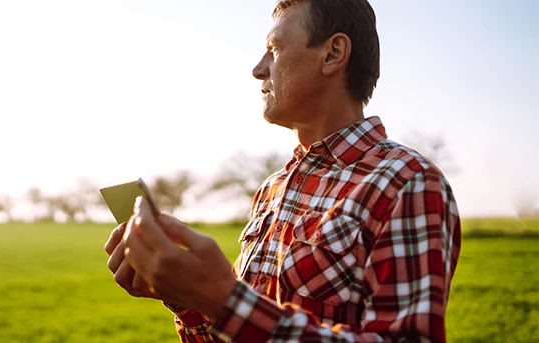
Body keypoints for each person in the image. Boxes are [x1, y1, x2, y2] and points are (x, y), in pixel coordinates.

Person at [104, 0, 461, 342]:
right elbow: (240, 331)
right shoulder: (272, 190)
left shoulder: (407, 182)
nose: (258, 69)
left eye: (273, 49)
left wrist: (224, 301)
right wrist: (188, 298)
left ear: (333, 54)